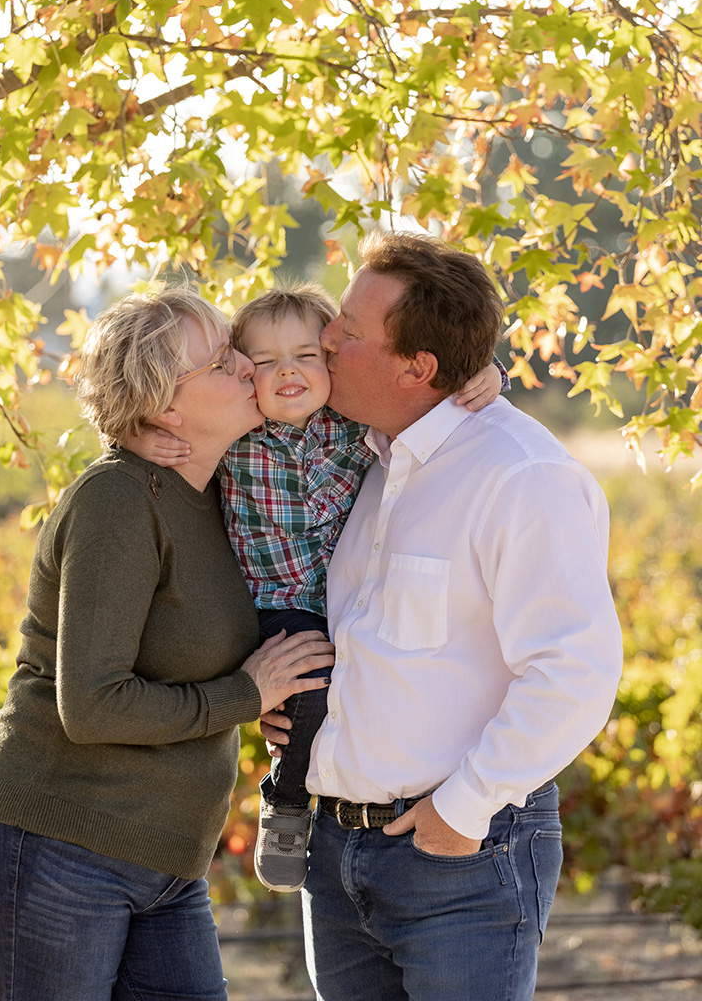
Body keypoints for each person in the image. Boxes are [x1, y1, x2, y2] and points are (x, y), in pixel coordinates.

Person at [261, 232, 623, 1001]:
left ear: (417, 368)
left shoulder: (521, 477)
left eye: (349, 332)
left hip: (460, 856)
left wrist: (461, 812)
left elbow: (575, 671)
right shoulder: (357, 458)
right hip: (336, 853)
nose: (326, 338)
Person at [0, 287, 335, 1001]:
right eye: (224, 362)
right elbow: (93, 707)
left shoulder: (233, 490)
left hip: (165, 861)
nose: (251, 369)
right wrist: (246, 695)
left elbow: (318, 358)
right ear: (166, 410)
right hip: (56, 843)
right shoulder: (119, 500)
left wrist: (476, 377)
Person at [139, 284, 506, 894]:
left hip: (342, 601)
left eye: (307, 356)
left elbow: (425, 383)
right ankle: (285, 805)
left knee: (353, 686)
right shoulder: (238, 436)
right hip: (273, 606)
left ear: (332, 362)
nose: (287, 371)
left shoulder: (353, 426)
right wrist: (142, 437)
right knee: (308, 693)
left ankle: (347, 787)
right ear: (241, 375)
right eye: (265, 362)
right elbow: (169, 418)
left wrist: (489, 373)